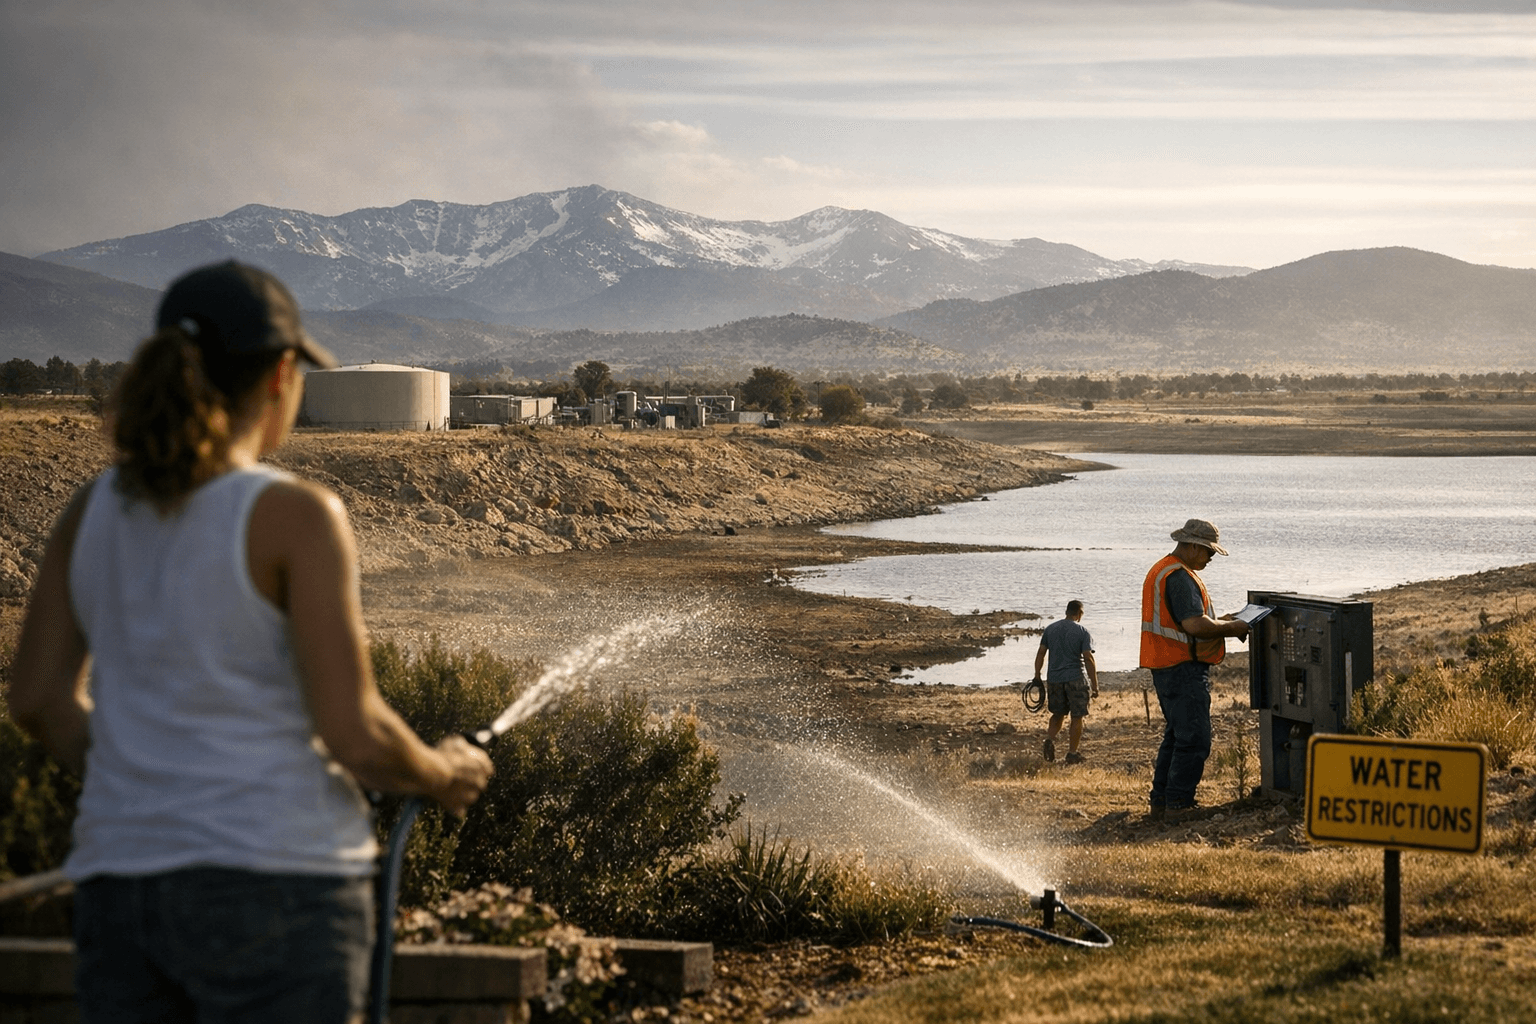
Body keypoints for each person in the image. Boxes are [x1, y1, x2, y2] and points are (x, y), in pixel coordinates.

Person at [7, 261, 494, 1023]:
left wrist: (151, 776)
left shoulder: (90, 510)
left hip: (122, 887)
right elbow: (354, 733)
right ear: (278, 377)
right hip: (280, 884)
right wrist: (442, 772)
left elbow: (38, 700)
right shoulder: (296, 514)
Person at [1140, 518, 1249, 821]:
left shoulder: (1165, 569)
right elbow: (1194, 625)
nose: (1211, 557)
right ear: (1191, 546)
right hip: (1182, 667)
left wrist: (1223, 621)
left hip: (1166, 664)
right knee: (1195, 739)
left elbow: (1185, 621)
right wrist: (1233, 628)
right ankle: (1178, 804)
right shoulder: (1179, 576)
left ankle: (1162, 802)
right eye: (1208, 551)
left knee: (1177, 736)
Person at [1032, 599, 1098, 764]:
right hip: (1076, 678)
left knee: (1057, 714)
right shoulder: (1082, 631)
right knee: (1077, 716)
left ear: (1066, 612)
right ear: (1079, 614)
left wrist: (1037, 675)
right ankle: (1072, 753)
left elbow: (1041, 653)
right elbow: (1088, 658)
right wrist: (1095, 684)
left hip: (1054, 679)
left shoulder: (1050, 629)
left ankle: (1050, 739)